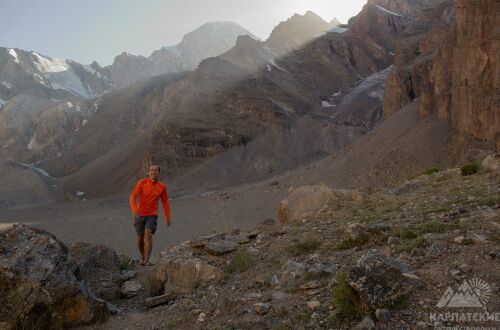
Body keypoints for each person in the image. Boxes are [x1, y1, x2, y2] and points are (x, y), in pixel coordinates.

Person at [130, 164, 171, 266]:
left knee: (148, 234)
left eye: (156, 170)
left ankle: (147, 260)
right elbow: (132, 197)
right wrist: (135, 211)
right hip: (140, 214)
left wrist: (168, 217)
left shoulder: (161, 186)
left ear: (158, 172)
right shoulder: (142, 183)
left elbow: (165, 202)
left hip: (152, 215)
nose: (153, 172)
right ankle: (143, 257)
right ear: (149, 172)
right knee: (140, 238)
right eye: (152, 170)